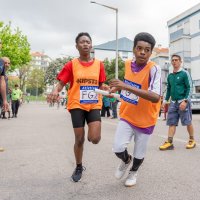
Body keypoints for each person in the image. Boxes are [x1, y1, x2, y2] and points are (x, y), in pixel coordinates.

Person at [48, 32, 106, 182]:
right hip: (76, 104)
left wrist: (106, 88)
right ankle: (79, 166)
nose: (85, 44)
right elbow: (61, 83)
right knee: (79, 140)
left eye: (88, 41)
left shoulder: (99, 64)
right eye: (82, 42)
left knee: (95, 138)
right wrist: (55, 91)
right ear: (77, 46)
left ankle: (91, 133)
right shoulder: (71, 64)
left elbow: (101, 84)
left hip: (93, 104)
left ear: (91, 45)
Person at [109, 32, 161, 187]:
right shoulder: (126, 65)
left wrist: (125, 86)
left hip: (146, 118)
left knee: (140, 153)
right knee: (118, 148)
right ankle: (126, 160)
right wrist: (116, 89)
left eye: (147, 49)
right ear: (133, 49)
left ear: (151, 52)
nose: (143, 52)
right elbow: (130, 89)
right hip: (127, 114)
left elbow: (155, 97)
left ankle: (134, 172)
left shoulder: (154, 69)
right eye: (139, 48)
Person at [159, 54, 196, 150]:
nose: (174, 62)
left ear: (180, 62)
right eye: (173, 60)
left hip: (183, 102)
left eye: (176, 60)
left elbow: (190, 87)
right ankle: (169, 142)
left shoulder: (184, 73)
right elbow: (169, 89)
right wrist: (165, 101)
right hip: (173, 103)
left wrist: (185, 101)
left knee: (188, 122)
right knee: (172, 123)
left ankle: (192, 140)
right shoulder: (170, 75)